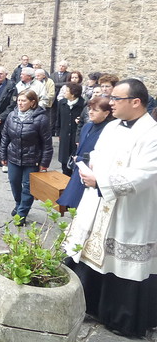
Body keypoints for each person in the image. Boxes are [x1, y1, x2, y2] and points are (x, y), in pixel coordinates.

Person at [65, 79, 157, 337]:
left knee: (121, 261)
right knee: (90, 254)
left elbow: (146, 173)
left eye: (116, 99)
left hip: (129, 210)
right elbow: (97, 152)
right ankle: (90, 305)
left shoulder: (152, 134)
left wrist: (102, 181)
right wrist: (91, 168)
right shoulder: (113, 125)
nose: (110, 102)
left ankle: (119, 318)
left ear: (136, 102)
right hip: (99, 201)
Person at [0, 89, 53, 226]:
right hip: (13, 156)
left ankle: (22, 213)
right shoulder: (12, 115)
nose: (20, 103)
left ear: (32, 102)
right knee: (14, 182)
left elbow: (47, 143)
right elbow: (5, 136)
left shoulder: (41, 118)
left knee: (28, 187)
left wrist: (44, 163)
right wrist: (3, 155)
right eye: (18, 100)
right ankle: (19, 204)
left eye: (23, 100)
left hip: (32, 158)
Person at [57, 96, 113, 208]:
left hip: (93, 173)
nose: (90, 112)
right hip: (80, 170)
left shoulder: (109, 130)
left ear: (106, 113)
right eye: (90, 109)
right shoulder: (87, 126)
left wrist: (81, 160)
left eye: (95, 110)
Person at [55, 82, 85, 176]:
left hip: (76, 137)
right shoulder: (62, 103)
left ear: (73, 93)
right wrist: (58, 132)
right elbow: (58, 118)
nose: (64, 92)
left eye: (66, 91)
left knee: (75, 162)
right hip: (64, 136)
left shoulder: (83, 104)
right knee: (64, 163)